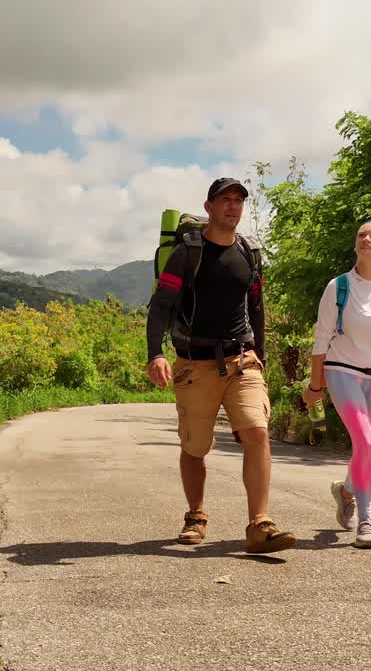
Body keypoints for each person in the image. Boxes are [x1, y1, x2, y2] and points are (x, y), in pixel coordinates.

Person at [145, 177, 296, 555]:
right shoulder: (187, 254)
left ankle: (259, 524)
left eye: (238, 201)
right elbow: (161, 305)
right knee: (195, 446)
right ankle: (196, 515)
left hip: (241, 360)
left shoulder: (248, 252)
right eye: (224, 200)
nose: (232, 206)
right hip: (195, 364)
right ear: (209, 206)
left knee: (257, 433)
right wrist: (155, 353)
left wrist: (258, 352)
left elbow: (257, 308)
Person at [301, 221, 371, 549]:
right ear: (355, 245)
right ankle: (366, 521)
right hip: (342, 371)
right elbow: (321, 339)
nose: (366, 239)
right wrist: (314, 386)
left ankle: (346, 490)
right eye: (361, 235)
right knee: (364, 443)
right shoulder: (338, 287)